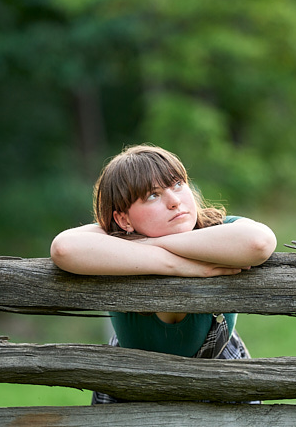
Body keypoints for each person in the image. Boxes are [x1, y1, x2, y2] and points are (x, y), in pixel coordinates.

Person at [50, 144, 277, 403]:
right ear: (124, 221)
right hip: (134, 388)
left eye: (178, 184)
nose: (175, 201)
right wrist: (178, 265)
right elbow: (63, 248)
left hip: (221, 378)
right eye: (152, 195)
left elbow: (259, 243)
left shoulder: (216, 228)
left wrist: (147, 243)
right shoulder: (112, 242)